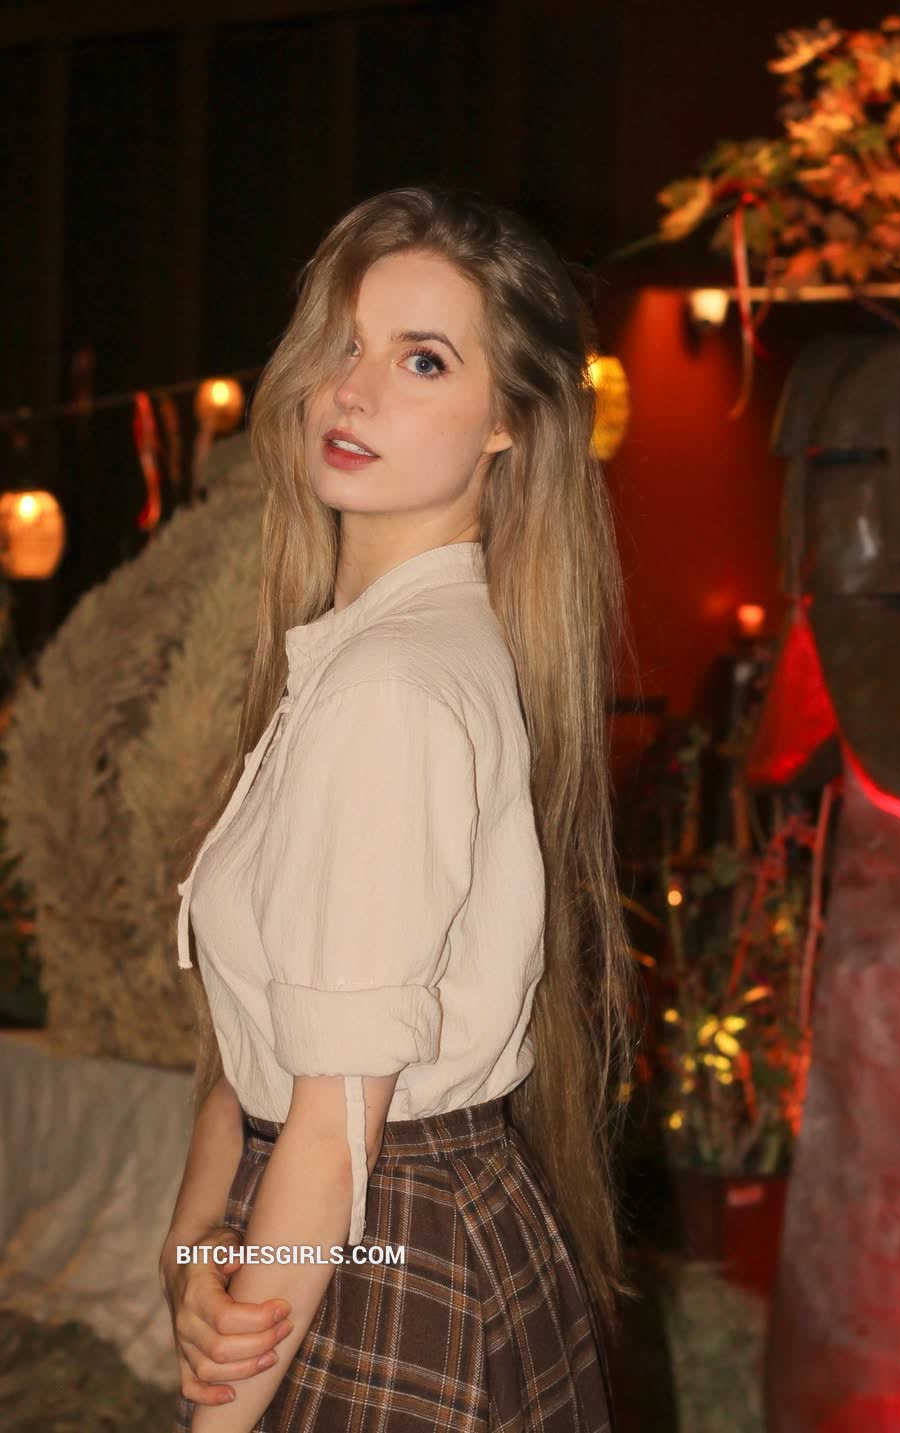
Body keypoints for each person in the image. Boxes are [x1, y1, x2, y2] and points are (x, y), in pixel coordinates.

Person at [158, 183, 640, 1432]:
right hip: (357, 1235)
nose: (352, 390)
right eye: (344, 343)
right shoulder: (357, 655)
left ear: (508, 421)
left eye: (422, 359)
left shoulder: (392, 687)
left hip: (378, 1257)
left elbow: (330, 1126)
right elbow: (256, 1057)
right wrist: (198, 1237)